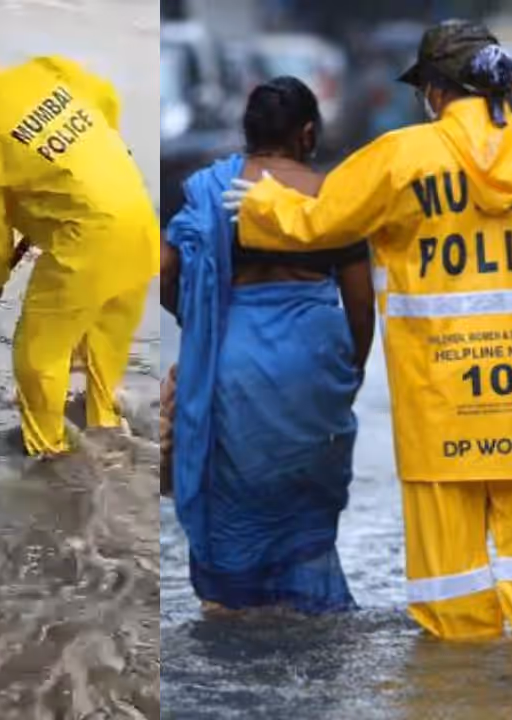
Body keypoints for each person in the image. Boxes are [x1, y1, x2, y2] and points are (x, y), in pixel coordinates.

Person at [223, 20, 512, 640]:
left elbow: (319, 224)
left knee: (453, 600)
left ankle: (460, 692)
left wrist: (262, 205)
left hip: (442, 411)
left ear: (436, 92)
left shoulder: (402, 157)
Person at [159, 77, 374, 614]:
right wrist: (352, 370)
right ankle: (301, 604)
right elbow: (361, 303)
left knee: (234, 489)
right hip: (315, 359)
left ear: (248, 132)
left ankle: (233, 607)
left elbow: (165, 270)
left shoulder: (213, 190)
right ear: (307, 134)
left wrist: (202, 323)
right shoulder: (331, 195)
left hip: (234, 353)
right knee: (304, 494)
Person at [0, 29, 158, 457]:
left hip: (87, 238)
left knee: (37, 357)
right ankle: (108, 434)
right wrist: (81, 166)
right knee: (103, 347)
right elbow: (108, 100)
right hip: (138, 216)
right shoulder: (47, 70)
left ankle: (51, 458)